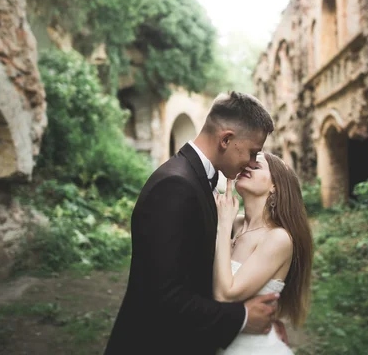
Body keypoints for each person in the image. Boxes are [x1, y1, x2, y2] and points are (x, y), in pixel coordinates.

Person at [103, 92, 282, 355]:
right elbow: (163, 298)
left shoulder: (192, 179)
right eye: (253, 152)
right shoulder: (175, 185)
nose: (253, 163)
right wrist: (242, 317)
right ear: (226, 139)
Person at [213, 152, 314, 354]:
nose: (246, 168)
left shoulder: (278, 238)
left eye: (256, 166)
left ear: (275, 186)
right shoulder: (235, 222)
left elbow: (225, 295)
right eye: (245, 165)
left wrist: (223, 225)